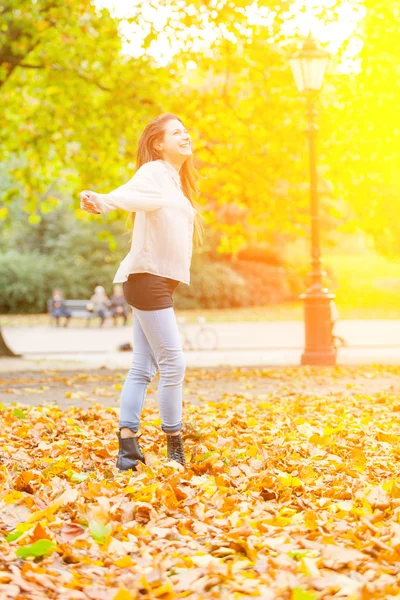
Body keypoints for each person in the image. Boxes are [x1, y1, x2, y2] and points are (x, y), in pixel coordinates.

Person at [79, 113, 204, 470]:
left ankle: (128, 447)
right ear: (157, 143)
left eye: (186, 131)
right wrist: (100, 200)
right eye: (176, 132)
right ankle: (174, 447)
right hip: (148, 280)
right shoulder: (153, 173)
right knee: (173, 363)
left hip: (154, 281)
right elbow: (128, 195)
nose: (185, 135)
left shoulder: (174, 181)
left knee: (142, 367)